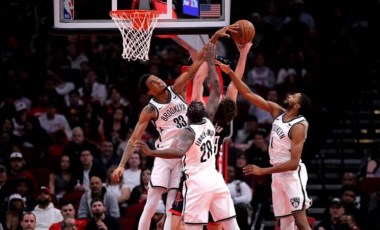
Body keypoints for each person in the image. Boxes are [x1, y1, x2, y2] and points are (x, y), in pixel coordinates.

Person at [112, 25, 238, 230]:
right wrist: (121, 164)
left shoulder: (176, 88)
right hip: (164, 154)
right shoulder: (150, 109)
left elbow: (197, 63)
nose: (159, 80)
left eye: (158, 78)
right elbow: (134, 139)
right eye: (154, 81)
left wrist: (213, 38)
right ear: (149, 91)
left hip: (184, 152)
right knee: (152, 202)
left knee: (172, 203)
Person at [169, 40, 252, 230]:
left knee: (177, 224)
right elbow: (234, 85)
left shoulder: (202, 119)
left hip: (193, 175)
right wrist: (244, 54)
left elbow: (198, 81)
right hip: (212, 174)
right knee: (218, 225)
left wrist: (209, 59)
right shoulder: (224, 122)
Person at [221, 60, 313, 230]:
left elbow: (293, 164)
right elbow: (247, 93)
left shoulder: (299, 126)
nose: (289, 96)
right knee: (285, 223)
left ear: (297, 105)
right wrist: (230, 73)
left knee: (300, 221)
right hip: (277, 173)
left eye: (294, 96)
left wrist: (263, 170)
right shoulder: (277, 112)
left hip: (292, 174)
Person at [136, 100, 240, 229]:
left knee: (192, 226)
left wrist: (152, 152)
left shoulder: (188, 132)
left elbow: (179, 152)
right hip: (216, 180)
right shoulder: (208, 122)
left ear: (187, 115)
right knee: (231, 225)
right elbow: (216, 92)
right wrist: (214, 78)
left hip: (197, 183)